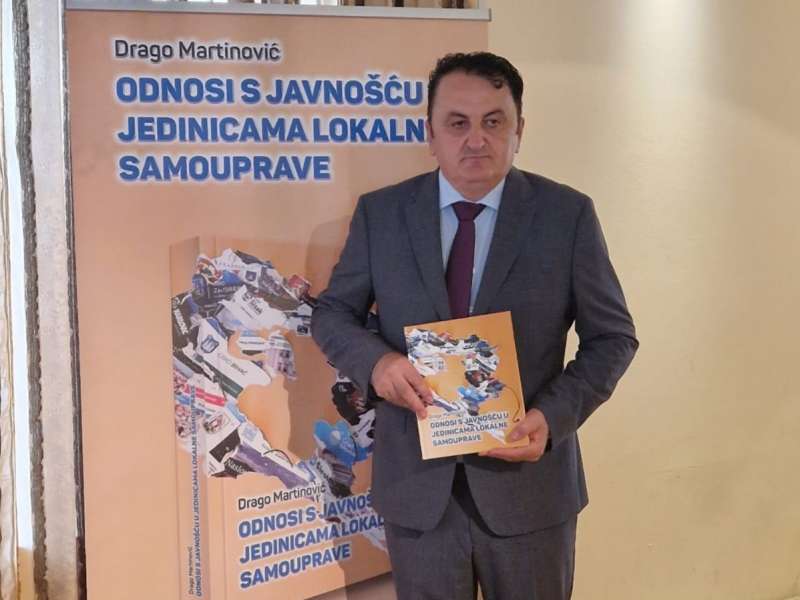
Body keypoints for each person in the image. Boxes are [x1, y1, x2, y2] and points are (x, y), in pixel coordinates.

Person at [311, 52, 638, 600]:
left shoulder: (567, 216)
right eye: (457, 123)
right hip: (418, 492)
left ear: (519, 130)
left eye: (494, 121)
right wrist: (378, 364)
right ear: (430, 134)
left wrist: (553, 417)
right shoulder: (382, 215)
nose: (476, 139)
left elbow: (612, 338)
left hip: (529, 491)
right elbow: (331, 314)